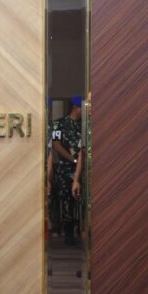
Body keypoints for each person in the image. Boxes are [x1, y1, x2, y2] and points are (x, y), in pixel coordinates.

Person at [51, 96, 84, 246]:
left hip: (81, 169)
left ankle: (80, 230)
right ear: (76, 108)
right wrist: (73, 160)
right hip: (65, 169)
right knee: (66, 201)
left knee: (80, 201)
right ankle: (69, 233)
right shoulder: (59, 124)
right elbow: (56, 145)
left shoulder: (82, 126)